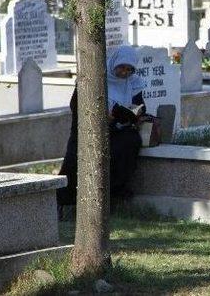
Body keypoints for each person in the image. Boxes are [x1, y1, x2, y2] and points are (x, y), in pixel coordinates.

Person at [57, 45, 145, 209]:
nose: (124, 73)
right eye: (122, 68)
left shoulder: (133, 83)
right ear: (114, 64)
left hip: (117, 129)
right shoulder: (95, 77)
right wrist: (100, 116)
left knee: (130, 141)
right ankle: (66, 202)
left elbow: (140, 106)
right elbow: (76, 105)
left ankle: (114, 192)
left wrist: (134, 115)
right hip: (90, 128)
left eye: (129, 69)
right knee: (78, 157)